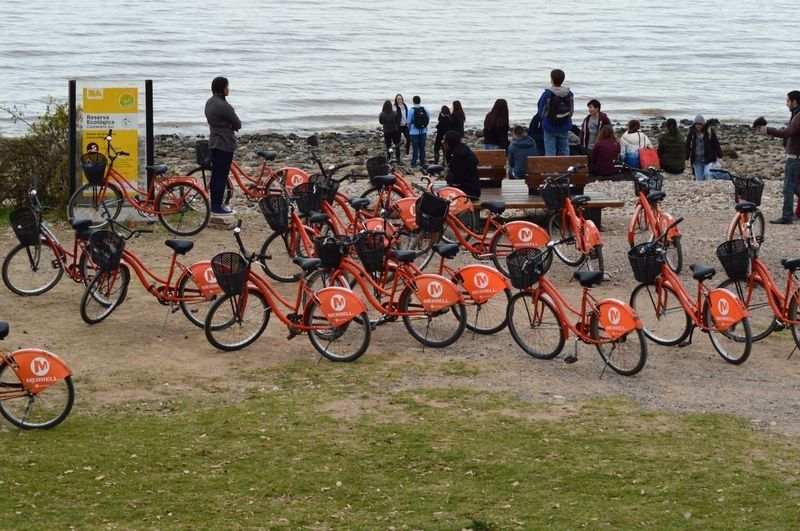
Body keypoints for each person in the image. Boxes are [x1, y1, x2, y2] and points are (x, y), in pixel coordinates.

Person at [755, 90, 800, 224]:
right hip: (797, 156)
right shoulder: (796, 114)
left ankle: (787, 217)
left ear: (795, 102)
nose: (786, 104)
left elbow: (787, 133)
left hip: (795, 157)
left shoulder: (798, 116)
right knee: (795, 186)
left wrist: (766, 130)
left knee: (788, 187)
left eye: (788, 101)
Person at [204, 76, 241, 216]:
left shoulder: (209, 102)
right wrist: (229, 125)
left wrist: (226, 124)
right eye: (227, 86)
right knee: (221, 176)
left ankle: (215, 205)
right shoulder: (224, 106)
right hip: (224, 144)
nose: (228, 89)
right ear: (222, 88)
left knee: (216, 176)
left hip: (214, 142)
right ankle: (217, 207)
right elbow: (238, 124)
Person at [537, 69, 574, 156]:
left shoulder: (547, 94)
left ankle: (551, 169)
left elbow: (541, 111)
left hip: (549, 126)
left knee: (550, 151)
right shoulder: (569, 94)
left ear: (551, 80)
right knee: (564, 149)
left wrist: (545, 119)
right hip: (564, 125)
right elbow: (571, 111)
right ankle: (565, 168)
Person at [685, 114, 723, 181]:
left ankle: (714, 184)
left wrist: (720, 156)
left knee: (707, 174)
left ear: (703, 124)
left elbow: (716, 143)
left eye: (700, 124)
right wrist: (686, 158)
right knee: (699, 180)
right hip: (697, 160)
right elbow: (688, 146)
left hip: (709, 159)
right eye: (696, 124)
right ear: (694, 124)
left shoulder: (709, 131)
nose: (698, 126)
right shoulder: (691, 133)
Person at [443, 130, 480, 198]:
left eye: (444, 142)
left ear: (448, 143)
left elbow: (457, 179)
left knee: (440, 194)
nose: (443, 144)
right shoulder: (463, 149)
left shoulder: (457, 156)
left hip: (468, 192)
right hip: (474, 189)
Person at [407, 95, 430, 168]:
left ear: (413, 101)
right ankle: (422, 162)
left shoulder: (411, 110)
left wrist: (409, 130)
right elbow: (428, 119)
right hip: (423, 131)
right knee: (422, 147)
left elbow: (408, 122)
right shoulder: (425, 109)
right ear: (420, 101)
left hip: (414, 132)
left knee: (415, 148)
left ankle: (413, 163)